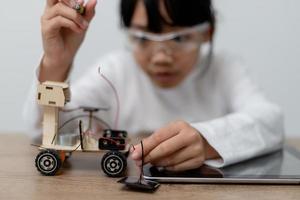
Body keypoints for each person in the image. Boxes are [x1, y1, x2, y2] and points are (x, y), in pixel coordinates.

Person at [23, 0, 284, 171]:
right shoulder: (116, 70)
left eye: (179, 37)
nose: (160, 57)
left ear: (208, 32)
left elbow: (270, 120)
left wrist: (207, 139)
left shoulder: (225, 69)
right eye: (142, 38)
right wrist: (57, 61)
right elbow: (40, 130)